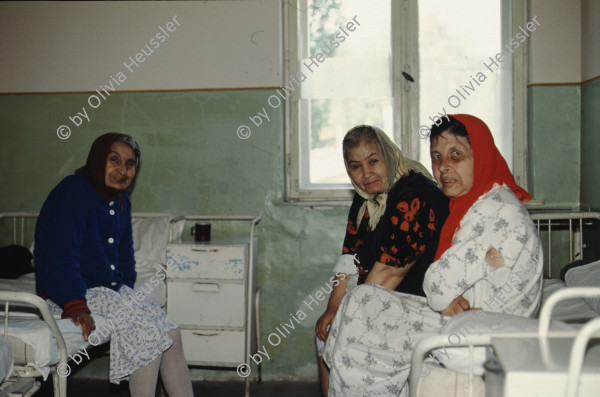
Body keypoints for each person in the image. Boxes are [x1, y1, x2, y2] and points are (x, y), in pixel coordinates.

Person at [323, 115, 543, 396]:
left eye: (456, 155)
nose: (444, 168)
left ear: (482, 155)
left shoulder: (493, 211)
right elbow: (350, 254)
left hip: (490, 330)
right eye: (437, 157)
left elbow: (436, 287)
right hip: (475, 317)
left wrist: (444, 296)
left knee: (362, 315)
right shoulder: (478, 203)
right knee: (358, 307)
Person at [34, 133, 194, 397]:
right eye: (114, 160)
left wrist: (126, 292)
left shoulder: (121, 199)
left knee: (171, 332)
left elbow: (124, 253)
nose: (122, 170)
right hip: (71, 291)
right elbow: (62, 255)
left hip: (106, 290)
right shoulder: (74, 191)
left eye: (130, 164)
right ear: (98, 160)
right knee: (147, 338)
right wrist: (75, 305)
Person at [315, 125, 449, 396]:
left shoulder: (414, 196)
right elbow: (349, 256)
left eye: (373, 161)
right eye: (355, 166)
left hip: (419, 301)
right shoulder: (366, 200)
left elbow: (389, 272)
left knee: (347, 339)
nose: (366, 174)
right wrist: (333, 307)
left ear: (388, 155)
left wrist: (350, 314)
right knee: (326, 332)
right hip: (377, 292)